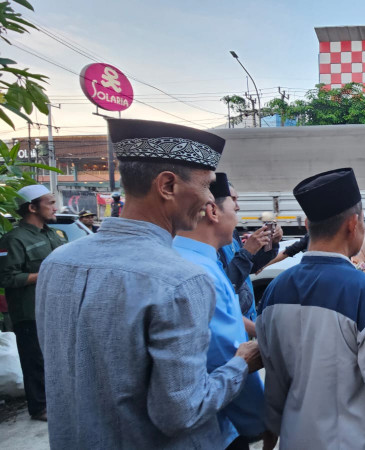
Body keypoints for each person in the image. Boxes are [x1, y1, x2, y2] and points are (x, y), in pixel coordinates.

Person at [35, 119, 262, 449]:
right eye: (205, 186)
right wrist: (242, 364)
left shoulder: (58, 262)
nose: (209, 200)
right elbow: (182, 412)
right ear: (168, 185)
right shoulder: (180, 279)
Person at [256, 168, 365, 449]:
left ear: (308, 224)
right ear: (353, 224)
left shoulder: (275, 290)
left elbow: (274, 383)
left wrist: (271, 435)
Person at [174, 173, 267, 449]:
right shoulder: (200, 273)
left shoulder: (192, 257)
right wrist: (260, 421)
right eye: (233, 203)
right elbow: (226, 357)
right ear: (212, 210)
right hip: (213, 429)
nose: (238, 210)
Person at [0, 184, 64, 421]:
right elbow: (6, 277)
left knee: (56, 358)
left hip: (55, 307)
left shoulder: (54, 234)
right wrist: (46, 273)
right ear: (32, 207)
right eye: (50, 202)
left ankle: (58, 400)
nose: (54, 206)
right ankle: (39, 408)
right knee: (34, 360)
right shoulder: (14, 239)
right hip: (29, 311)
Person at [218, 181, 282, 335]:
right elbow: (225, 287)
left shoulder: (231, 234)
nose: (237, 206)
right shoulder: (212, 243)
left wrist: (271, 245)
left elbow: (249, 268)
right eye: (232, 199)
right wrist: (247, 251)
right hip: (231, 331)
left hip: (243, 326)